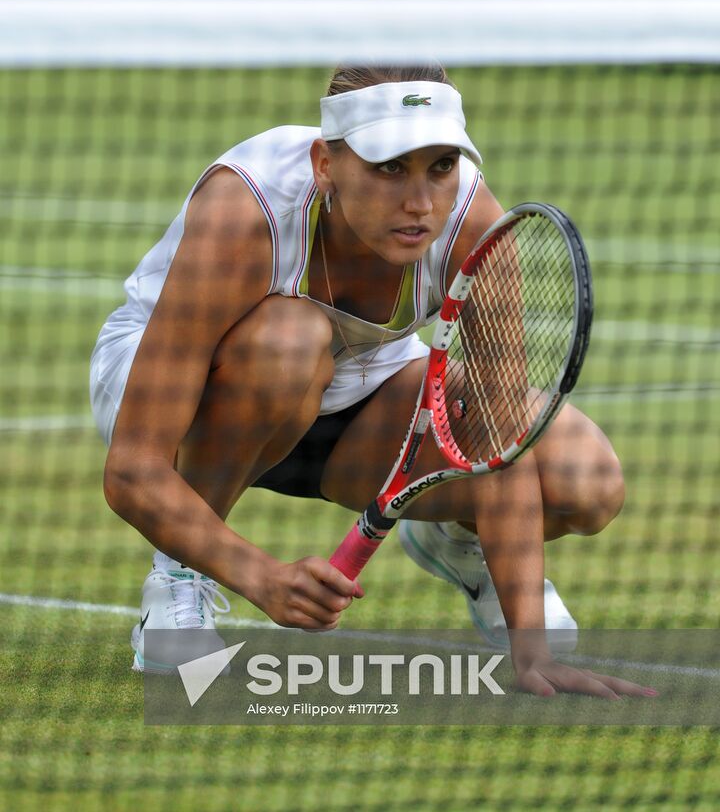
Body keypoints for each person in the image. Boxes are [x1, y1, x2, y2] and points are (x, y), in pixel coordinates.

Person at [91, 65, 646, 698]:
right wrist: (262, 576)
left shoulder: (475, 226)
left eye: (440, 166)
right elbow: (132, 468)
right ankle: (180, 574)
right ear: (325, 164)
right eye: (390, 168)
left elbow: (501, 437)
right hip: (183, 391)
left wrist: (531, 652)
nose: (420, 202)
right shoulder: (244, 212)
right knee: (290, 343)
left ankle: (458, 537)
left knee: (585, 477)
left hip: (362, 393)